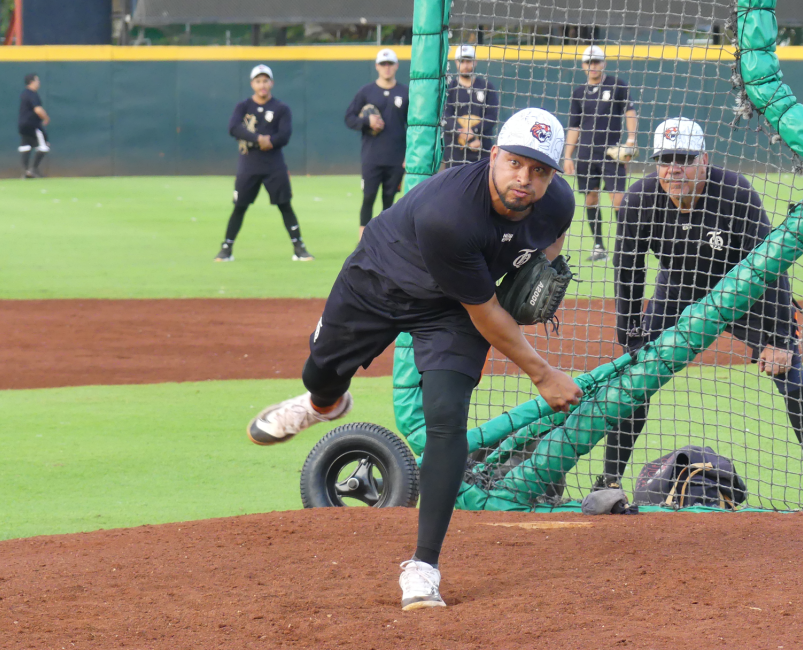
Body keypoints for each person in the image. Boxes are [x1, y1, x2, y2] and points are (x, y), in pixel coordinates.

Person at [246, 108, 582, 610]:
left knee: (446, 420)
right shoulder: (452, 213)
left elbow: (548, 243)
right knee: (318, 372)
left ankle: (423, 567)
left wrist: (543, 265)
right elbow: (488, 312)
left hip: (449, 311)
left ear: (554, 174)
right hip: (380, 280)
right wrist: (544, 374)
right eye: (515, 163)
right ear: (494, 156)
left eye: (539, 170)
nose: (524, 179)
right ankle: (322, 404)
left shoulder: (557, 203)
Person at [603, 117, 803, 514]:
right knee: (635, 382)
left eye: (683, 158)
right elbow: (627, 270)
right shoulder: (639, 198)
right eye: (665, 160)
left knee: (792, 377)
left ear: (705, 159)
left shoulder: (735, 192)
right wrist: (630, 335)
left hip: (742, 291)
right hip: (677, 289)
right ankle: (609, 481)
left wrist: (780, 339)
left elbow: (772, 265)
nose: (673, 169)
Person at [215, 64, 313, 262]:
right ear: (252, 84)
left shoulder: (281, 108)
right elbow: (233, 128)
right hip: (249, 164)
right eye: (258, 81)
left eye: (265, 81)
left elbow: (284, 135)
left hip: (273, 164)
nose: (262, 85)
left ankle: (299, 248)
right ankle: (226, 249)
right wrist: (258, 138)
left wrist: (270, 141)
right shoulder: (243, 107)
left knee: (285, 204)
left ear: (271, 83)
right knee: (240, 206)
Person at [563, 45, 638, 262]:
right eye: (588, 62)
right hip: (586, 156)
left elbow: (629, 111)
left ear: (603, 63)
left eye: (596, 62)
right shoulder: (578, 92)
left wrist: (631, 139)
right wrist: (568, 155)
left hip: (611, 154)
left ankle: (627, 244)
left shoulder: (617, 85)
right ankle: (598, 245)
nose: (592, 66)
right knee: (590, 199)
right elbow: (574, 127)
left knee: (619, 200)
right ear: (583, 65)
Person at [345, 48, 409, 238]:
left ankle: (385, 241)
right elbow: (349, 118)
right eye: (383, 64)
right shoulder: (366, 91)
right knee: (368, 198)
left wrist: (408, 154)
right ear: (377, 67)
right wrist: (367, 122)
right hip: (372, 156)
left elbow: (413, 125)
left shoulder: (405, 92)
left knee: (389, 201)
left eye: (390, 64)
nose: (387, 68)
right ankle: (362, 242)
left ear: (397, 66)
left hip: (396, 157)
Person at [442, 45, 499, 168]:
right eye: (462, 61)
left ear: (475, 62)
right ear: (456, 63)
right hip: (455, 152)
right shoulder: (449, 88)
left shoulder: (487, 87)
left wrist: (473, 132)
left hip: (481, 149)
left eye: (469, 61)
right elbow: (445, 116)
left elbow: (492, 116)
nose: (466, 65)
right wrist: (463, 133)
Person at [18, 74, 50, 179]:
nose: (38, 82)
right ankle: (33, 169)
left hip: (22, 124)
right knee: (44, 145)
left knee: (26, 146)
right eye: (37, 80)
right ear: (32, 82)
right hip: (33, 125)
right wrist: (46, 118)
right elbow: (38, 110)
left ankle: (26, 171)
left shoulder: (24, 94)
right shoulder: (32, 94)